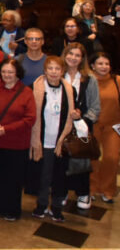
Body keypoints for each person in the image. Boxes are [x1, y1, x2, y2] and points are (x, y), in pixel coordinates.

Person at [0, 58, 36, 221]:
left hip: (17, 143)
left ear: (18, 73)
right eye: (4, 72)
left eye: (10, 72)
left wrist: (5, 129)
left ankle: (11, 209)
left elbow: (30, 119)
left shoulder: (26, 92)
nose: (7, 75)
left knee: (13, 179)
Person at [31, 56, 75, 222]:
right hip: (43, 140)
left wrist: (76, 116)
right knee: (44, 176)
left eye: (57, 69)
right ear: (45, 70)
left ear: (62, 71)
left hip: (61, 141)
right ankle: (41, 205)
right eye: (51, 68)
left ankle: (56, 207)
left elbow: (71, 113)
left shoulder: (70, 89)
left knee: (60, 177)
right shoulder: (36, 87)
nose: (54, 72)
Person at [61, 43, 100, 211]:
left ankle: (83, 193)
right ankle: (61, 191)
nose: (73, 58)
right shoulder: (58, 73)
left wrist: (82, 120)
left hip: (81, 126)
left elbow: (95, 107)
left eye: (77, 55)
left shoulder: (89, 79)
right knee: (61, 161)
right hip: (60, 125)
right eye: (70, 54)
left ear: (82, 59)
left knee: (80, 160)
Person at [90, 52, 119, 202]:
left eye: (106, 64)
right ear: (93, 66)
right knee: (92, 158)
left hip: (113, 127)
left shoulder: (117, 81)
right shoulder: (88, 81)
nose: (104, 67)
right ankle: (92, 188)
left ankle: (107, 189)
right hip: (93, 126)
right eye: (100, 64)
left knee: (112, 158)